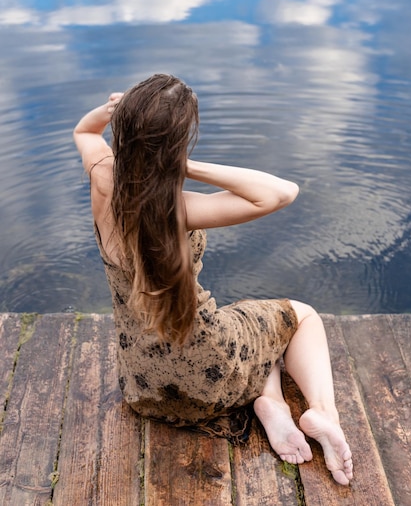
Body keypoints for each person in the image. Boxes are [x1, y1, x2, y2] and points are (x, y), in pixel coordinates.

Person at [73, 73, 353, 486]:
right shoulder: (181, 208)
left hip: (146, 389)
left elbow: (84, 129)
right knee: (300, 317)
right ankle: (322, 413)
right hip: (212, 377)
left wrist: (111, 113)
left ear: (125, 129)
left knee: (251, 333)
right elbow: (280, 192)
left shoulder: (102, 177)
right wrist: (178, 166)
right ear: (176, 142)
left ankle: (270, 401)